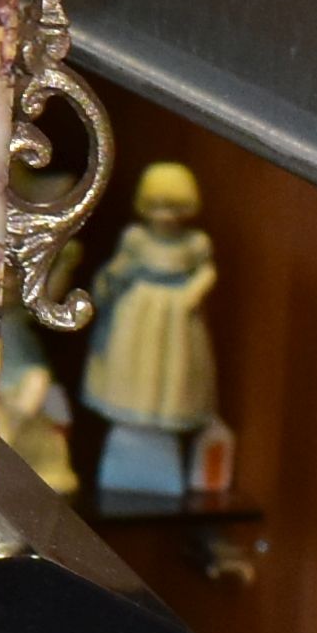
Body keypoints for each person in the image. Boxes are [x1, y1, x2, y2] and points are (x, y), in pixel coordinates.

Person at [79, 160, 230, 505]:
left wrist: (195, 291)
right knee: (137, 364)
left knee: (172, 369)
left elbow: (207, 272)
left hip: (176, 315)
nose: (166, 215)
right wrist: (117, 275)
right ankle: (132, 414)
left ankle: (163, 416)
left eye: (174, 207)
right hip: (138, 312)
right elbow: (117, 269)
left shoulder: (195, 243)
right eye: (159, 206)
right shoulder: (135, 239)